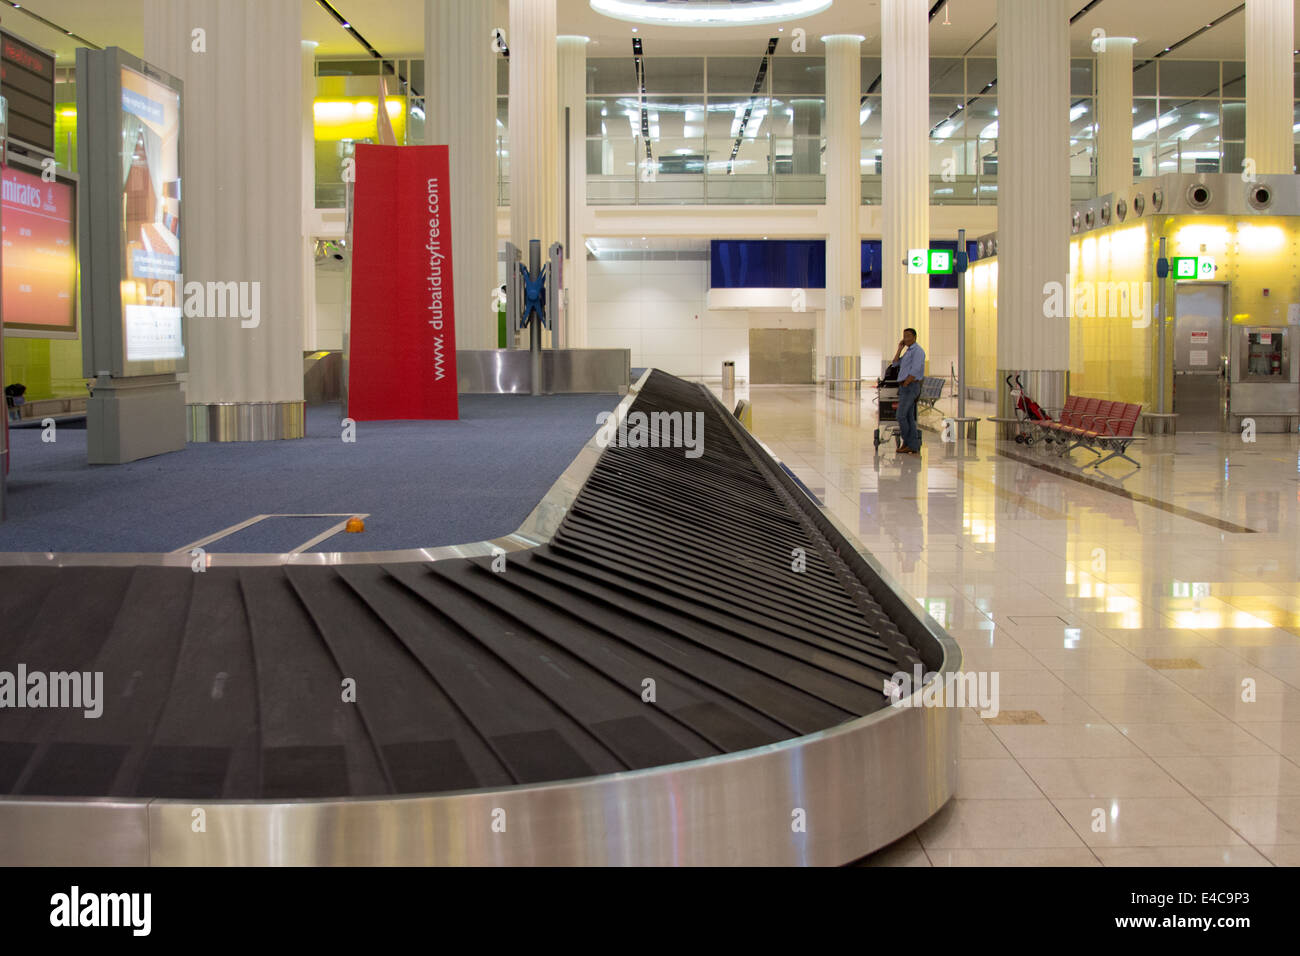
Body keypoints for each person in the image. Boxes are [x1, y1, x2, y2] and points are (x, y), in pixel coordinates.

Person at [892, 328, 925, 454]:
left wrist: (906, 382)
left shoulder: (918, 351)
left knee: (900, 416)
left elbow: (916, 369)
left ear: (915, 337)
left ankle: (910, 442)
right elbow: (895, 363)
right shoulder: (907, 352)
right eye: (904, 336)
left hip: (910, 387)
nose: (906, 338)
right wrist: (899, 349)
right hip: (905, 387)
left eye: (909, 336)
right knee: (909, 417)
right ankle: (911, 445)